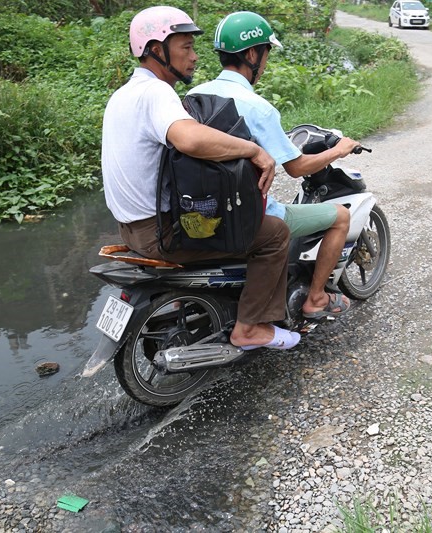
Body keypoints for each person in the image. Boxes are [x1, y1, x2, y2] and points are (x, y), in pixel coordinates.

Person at [101, 6, 299, 351]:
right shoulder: (156, 92)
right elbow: (190, 139)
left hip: (129, 228)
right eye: (185, 47)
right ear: (155, 49)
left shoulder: (123, 95)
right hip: (160, 232)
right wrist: (253, 151)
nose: (193, 57)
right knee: (274, 234)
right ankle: (250, 328)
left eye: (193, 48)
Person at [188, 11, 361, 320]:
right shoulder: (258, 108)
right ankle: (317, 298)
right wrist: (340, 151)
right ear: (253, 53)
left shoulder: (194, 95)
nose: (265, 62)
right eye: (265, 52)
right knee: (341, 217)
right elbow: (297, 167)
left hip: (201, 209)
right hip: (247, 215)